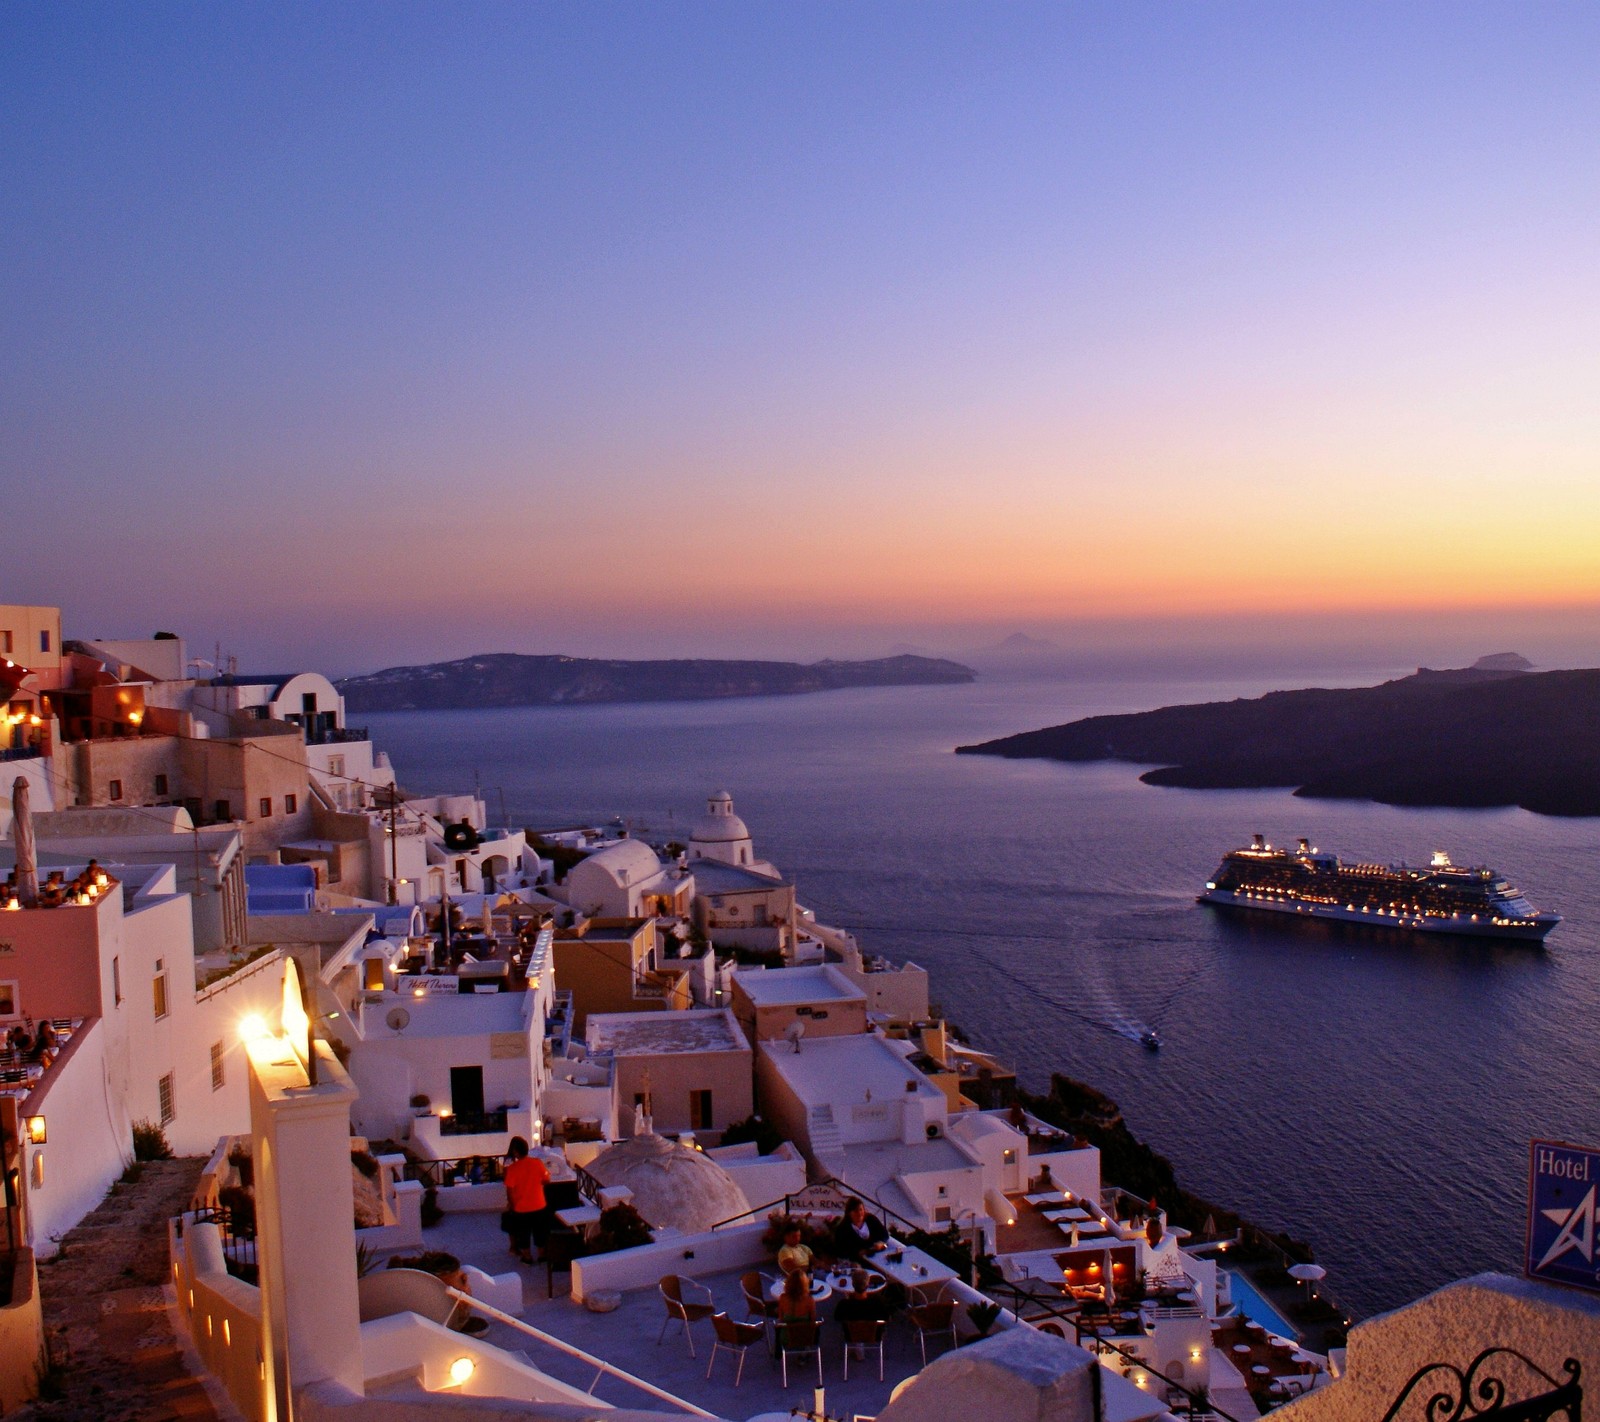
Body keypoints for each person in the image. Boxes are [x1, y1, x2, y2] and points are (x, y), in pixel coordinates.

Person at [502, 1136, 550, 1264]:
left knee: (523, 1233)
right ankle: (541, 1255)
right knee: (540, 1231)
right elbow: (546, 1179)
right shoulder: (537, 1163)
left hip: (521, 1207)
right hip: (539, 1204)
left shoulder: (512, 1169)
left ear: (515, 1152)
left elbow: (509, 1190)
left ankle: (527, 1257)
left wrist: (512, 1204)